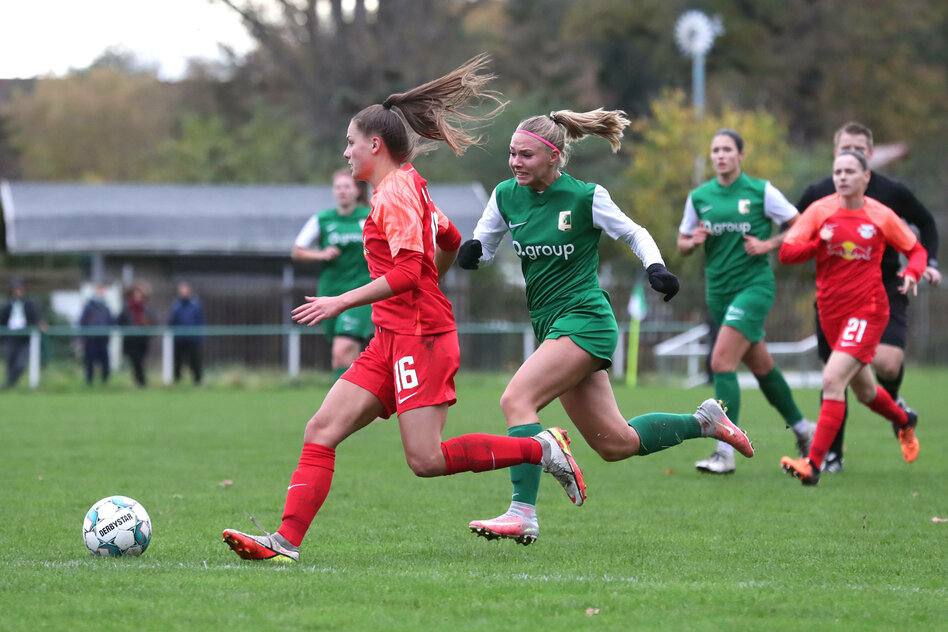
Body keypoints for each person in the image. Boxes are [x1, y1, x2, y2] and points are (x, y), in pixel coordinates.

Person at [222, 55, 586, 563]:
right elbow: (450, 239)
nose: (345, 152)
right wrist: (428, 283)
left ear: (375, 144)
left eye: (350, 142)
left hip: (421, 338)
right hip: (389, 338)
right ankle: (284, 543)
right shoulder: (409, 183)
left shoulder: (394, 194)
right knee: (321, 430)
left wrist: (342, 300)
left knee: (426, 460)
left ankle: (541, 448)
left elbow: (412, 271)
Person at [456, 109, 754, 545]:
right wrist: (472, 254)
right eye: (512, 153)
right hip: (551, 325)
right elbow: (483, 247)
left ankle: (522, 513)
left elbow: (635, 233)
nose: (515, 162)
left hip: (586, 321)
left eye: (526, 155)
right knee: (616, 444)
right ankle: (705, 423)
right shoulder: (505, 195)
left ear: (554, 157)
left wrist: (656, 268)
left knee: (516, 399)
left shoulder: (586, 196)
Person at [795, 121, 940, 473]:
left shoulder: (888, 198)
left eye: (859, 151)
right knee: (859, 388)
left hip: (882, 288)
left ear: (870, 157)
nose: (850, 159)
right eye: (845, 151)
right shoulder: (819, 197)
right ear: (835, 153)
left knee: (863, 369)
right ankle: (895, 421)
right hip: (831, 298)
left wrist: (924, 266)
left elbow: (924, 228)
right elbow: (792, 232)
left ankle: (815, 462)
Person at [677, 129, 813, 475]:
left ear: (740, 155)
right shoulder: (699, 196)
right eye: (715, 150)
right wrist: (693, 241)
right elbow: (682, 243)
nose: (721, 156)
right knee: (762, 366)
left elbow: (801, 224)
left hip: (754, 287)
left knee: (721, 361)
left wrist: (769, 245)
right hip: (718, 291)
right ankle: (803, 430)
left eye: (727, 150)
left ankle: (725, 452)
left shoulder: (760, 191)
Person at [292, 170, 374, 381]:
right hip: (330, 293)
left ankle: (343, 401)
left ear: (357, 190)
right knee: (348, 355)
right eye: (338, 187)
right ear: (333, 191)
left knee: (341, 351)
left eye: (347, 186)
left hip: (361, 293)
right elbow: (297, 250)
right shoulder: (323, 219)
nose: (342, 191)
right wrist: (320, 254)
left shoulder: (370, 215)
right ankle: (359, 400)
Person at [1, 278, 45, 389]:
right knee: (10, 361)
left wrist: (40, 323)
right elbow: (3, 320)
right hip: (10, 337)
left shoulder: (29, 303)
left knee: (21, 363)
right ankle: (9, 384)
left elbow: (36, 317)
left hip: (24, 337)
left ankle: (10, 383)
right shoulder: (7, 304)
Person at [117, 283, 155, 387]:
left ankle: (140, 381)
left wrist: (147, 325)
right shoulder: (127, 308)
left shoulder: (147, 309)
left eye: (140, 294)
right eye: (136, 294)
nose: (138, 297)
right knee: (135, 361)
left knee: (140, 361)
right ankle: (141, 381)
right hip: (130, 340)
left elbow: (154, 322)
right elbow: (120, 322)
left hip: (142, 340)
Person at [169, 281, 205, 385]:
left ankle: (197, 382)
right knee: (177, 362)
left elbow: (200, 320)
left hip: (192, 338)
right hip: (179, 338)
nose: (183, 293)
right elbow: (172, 321)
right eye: (181, 291)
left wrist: (200, 335)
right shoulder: (176, 305)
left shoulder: (195, 305)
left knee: (195, 361)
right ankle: (177, 382)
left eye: (185, 291)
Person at [78, 281, 114, 385]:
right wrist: (80, 338)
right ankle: (89, 382)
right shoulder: (88, 307)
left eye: (102, 289)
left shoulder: (106, 307)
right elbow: (82, 322)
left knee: (105, 362)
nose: (101, 291)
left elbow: (111, 322)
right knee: (89, 361)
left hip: (103, 339)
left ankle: (104, 382)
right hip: (90, 339)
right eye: (99, 289)